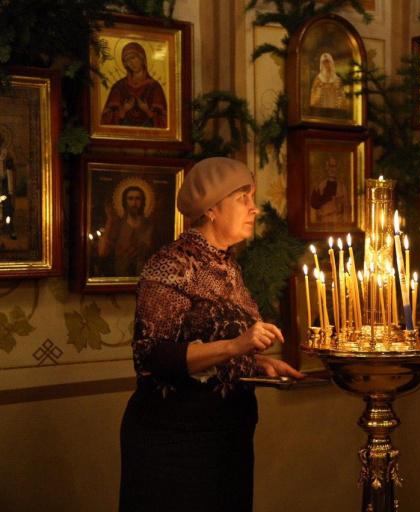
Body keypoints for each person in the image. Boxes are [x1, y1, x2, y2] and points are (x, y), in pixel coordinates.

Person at [119, 157, 304, 512]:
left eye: (253, 198)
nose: (253, 208)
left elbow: (210, 343)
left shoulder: (227, 264)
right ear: (211, 209)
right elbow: (152, 355)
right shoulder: (171, 263)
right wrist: (237, 345)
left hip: (227, 439)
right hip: (177, 442)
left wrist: (255, 363)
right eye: (242, 198)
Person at [101, 42, 167, 128]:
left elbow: (164, 120)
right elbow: (106, 120)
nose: (131, 63)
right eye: (127, 60)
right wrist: (123, 110)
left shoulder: (154, 87)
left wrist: (147, 110)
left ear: (142, 58)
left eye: (133, 58)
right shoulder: (119, 87)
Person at [97, 183, 156, 276]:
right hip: (120, 275)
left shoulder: (149, 226)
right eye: (130, 199)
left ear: (143, 201)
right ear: (125, 201)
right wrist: (110, 220)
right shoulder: (118, 224)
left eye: (138, 199)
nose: (134, 203)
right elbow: (102, 252)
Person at [309, 155, 348, 224]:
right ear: (327, 167)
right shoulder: (320, 187)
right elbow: (314, 207)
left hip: (338, 224)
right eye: (330, 166)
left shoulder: (342, 188)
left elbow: (346, 210)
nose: (332, 169)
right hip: (324, 223)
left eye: (334, 166)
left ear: (337, 168)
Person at [0, 134, 17, 241]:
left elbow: (11, 168)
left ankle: (9, 228)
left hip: (5, 184)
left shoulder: (6, 154)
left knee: (7, 207)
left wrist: (8, 164)